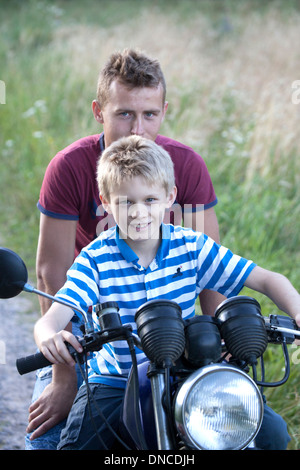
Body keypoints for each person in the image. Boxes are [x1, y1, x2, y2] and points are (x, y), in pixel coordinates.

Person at [34, 135, 299, 450]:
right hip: (116, 381)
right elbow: (56, 314)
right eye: (125, 202)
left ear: (169, 197)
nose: (138, 213)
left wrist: (296, 311)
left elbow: (269, 280)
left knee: (270, 434)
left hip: (185, 374)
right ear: (105, 201)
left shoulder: (191, 247)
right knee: (78, 445)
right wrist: (48, 333)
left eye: (149, 200)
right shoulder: (94, 260)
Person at [26, 48, 224, 449]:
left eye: (149, 114)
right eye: (124, 114)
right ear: (99, 111)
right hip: (90, 307)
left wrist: (217, 358)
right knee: (46, 440)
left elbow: (212, 273)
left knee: (233, 427)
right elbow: (52, 273)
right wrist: (65, 378)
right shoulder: (69, 167)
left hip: (168, 310)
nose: (138, 129)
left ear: (164, 111)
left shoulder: (185, 167)